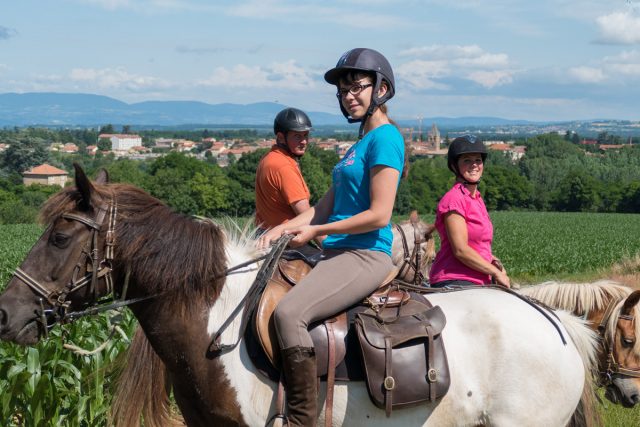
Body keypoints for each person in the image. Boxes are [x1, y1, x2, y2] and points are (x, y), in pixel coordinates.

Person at [258, 48, 404, 426]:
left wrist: (316, 232)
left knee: (289, 314)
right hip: (337, 254)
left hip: (366, 253)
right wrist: (282, 227)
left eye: (357, 87)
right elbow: (322, 207)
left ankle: (300, 420)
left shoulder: (385, 139)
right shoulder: (356, 147)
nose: (349, 96)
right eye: (343, 91)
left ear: (382, 89)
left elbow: (379, 214)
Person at [428, 135, 511, 288]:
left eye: (478, 160)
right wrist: (496, 272)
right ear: (454, 166)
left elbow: (478, 246)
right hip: (456, 278)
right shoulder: (454, 199)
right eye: (467, 160)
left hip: (479, 280)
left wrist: (495, 261)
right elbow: (460, 250)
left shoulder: (477, 199)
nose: (474, 165)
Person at [255, 107, 313, 231]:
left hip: (266, 235)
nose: (304, 141)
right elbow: (306, 217)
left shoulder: (270, 157)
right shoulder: (283, 167)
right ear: (281, 137)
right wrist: (328, 246)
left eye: (306, 135)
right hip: (284, 242)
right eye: (297, 136)